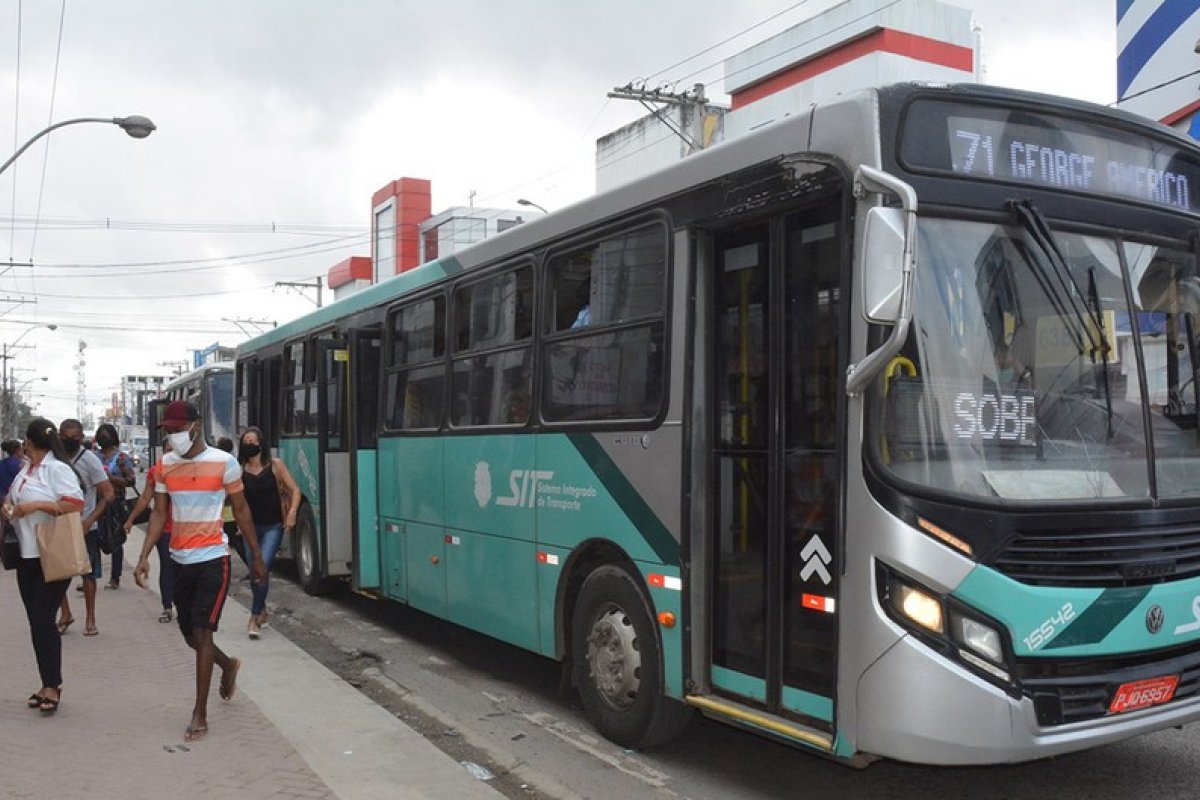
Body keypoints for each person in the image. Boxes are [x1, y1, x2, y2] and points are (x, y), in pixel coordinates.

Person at [134, 400, 266, 742]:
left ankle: (199, 712)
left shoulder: (224, 464)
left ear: (195, 425)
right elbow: (160, 514)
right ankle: (227, 665)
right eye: (169, 430)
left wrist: (257, 556)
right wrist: (145, 554)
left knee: (203, 632)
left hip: (212, 558)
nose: (173, 435)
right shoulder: (165, 465)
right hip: (179, 560)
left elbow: (242, 510)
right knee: (189, 634)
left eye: (178, 429)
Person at [1, 418, 85, 714]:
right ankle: (46, 682)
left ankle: (53, 685)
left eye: (25, 439)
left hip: (50, 552)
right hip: (26, 554)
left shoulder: (56, 469)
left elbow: (75, 503)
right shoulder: (27, 469)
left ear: (30, 440)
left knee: (42, 619)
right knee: (37, 622)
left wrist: (36, 506)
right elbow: (12, 499)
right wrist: (9, 508)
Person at [235, 426, 300, 639]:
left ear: (261, 444)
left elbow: (295, 490)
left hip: (273, 525)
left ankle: (254, 616)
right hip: (249, 528)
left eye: (253, 442)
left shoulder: (275, 466)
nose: (249, 446)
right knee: (256, 570)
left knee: (262, 564)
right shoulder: (239, 470)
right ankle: (262, 609)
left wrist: (291, 513)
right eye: (246, 442)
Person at [56, 418, 114, 638]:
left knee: (88, 575)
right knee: (58, 572)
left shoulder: (89, 460)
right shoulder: (55, 459)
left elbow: (107, 494)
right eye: (65, 435)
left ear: (81, 437)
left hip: (85, 526)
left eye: (74, 437)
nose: (69, 440)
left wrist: (90, 520)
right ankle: (65, 613)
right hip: (60, 525)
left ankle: (91, 618)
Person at [124, 438, 175, 623]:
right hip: (165, 529)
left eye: (173, 450)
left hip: (187, 529)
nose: (170, 454)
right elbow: (145, 499)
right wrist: (130, 519)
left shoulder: (187, 471)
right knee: (167, 568)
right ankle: (167, 606)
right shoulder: (157, 471)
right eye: (167, 450)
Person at [95, 423, 136, 589]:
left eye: (107, 435)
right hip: (97, 502)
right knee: (94, 540)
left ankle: (115, 577)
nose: (104, 438)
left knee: (116, 540)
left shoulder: (121, 458)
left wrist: (109, 478)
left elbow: (130, 481)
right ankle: (91, 575)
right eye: (101, 434)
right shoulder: (94, 456)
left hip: (115, 504)